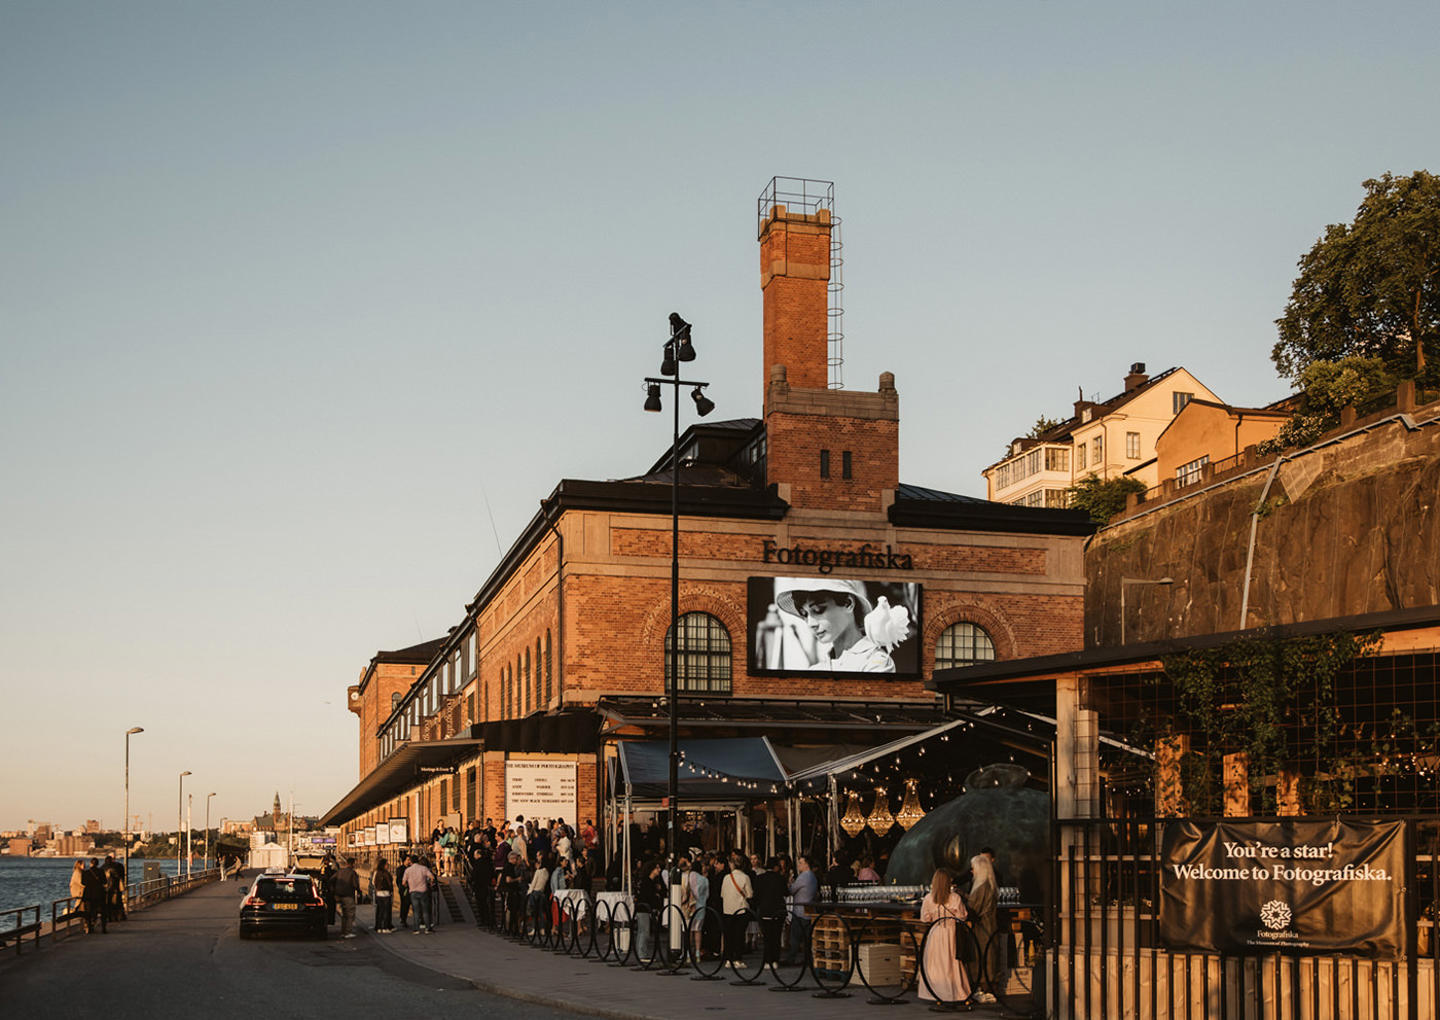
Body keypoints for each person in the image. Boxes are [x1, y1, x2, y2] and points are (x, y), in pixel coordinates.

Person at [774, 579, 904, 673]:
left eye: (818, 610)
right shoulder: (816, 669)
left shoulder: (876, 662)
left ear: (848, 603)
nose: (810, 623)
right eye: (805, 614)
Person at [918, 868, 971, 1004]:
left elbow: (925, 918)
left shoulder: (929, 898)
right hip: (951, 933)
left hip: (935, 932)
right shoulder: (955, 898)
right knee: (951, 963)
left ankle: (934, 993)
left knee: (935, 964)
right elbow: (962, 916)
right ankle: (955, 993)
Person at [966, 849, 1000, 1005]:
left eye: (973, 868)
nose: (971, 871)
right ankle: (988, 986)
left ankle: (984, 987)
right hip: (990, 925)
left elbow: (974, 908)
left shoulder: (981, 887)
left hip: (982, 928)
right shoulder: (990, 885)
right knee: (989, 955)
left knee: (982, 956)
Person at [783, 854, 818, 966]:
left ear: (806, 864)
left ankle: (791, 959)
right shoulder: (813, 876)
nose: (799, 865)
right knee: (807, 938)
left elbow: (791, 890)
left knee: (795, 937)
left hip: (800, 911)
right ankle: (807, 958)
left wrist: (790, 882)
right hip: (809, 910)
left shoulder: (803, 877)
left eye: (801, 863)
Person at [721, 852, 753, 969]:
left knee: (729, 935)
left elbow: (722, 894)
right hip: (741, 909)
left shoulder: (726, 878)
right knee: (739, 935)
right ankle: (737, 959)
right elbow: (749, 894)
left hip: (727, 909)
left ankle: (728, 959)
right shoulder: (745, 877)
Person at [752, 857, 787, 966]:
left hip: (764, 910)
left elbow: (756, 896)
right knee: (776, 936)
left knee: (767, 937)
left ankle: (767, 960)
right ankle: (775, 959)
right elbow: (786, 892)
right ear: (776, 867)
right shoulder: (780, 878)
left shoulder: (760, 878)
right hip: (778, 910)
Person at [406, 854, 436, 934]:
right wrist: (430, 883)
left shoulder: (408, 870)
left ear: (411, 861)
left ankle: (416, 929)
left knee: (416, 911)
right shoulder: (423, 868)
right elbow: (432, 877)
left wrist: (409, 885)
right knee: (425, 910)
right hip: (423, 891)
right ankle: (428, 928)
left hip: (413, 891)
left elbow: (403, 882)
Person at [333, 856, 362, 938]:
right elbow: (355, 885)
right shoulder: (352, 873)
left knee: (344, 915)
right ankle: (348, 932)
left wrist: (334, 890)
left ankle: (343, 931)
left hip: (339, 895)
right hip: (349, 895)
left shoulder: (340, 871)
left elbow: (331, 880)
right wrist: (359, 892)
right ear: (352, 864)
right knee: (350, 914)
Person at [81, 857, 107, 934]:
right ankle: (103, 928)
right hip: (99, 894)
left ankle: (89, 927)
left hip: (89, 894)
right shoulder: (101, 871)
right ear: (98, 864)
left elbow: (83, 882)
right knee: (102, 912)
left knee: (89, 912)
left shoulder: (86, 872)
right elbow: (105, 882)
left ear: (91, 863)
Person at [371, 858, 395, 933]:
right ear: (384, 865)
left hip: (379, 893)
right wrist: (391, 890)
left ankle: (378, 927)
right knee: (386, 911)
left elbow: (373, 882)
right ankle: (385, 927)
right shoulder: (386, 873)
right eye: (387, 864)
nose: (388, 865)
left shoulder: (376, 872)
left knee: (379, 911)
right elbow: (390, 883)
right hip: (386, 893)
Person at [104, 854, 127, 921]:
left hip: (107, 888)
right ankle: (119, 916)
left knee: (109, 903)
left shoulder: (103, 867)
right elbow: (121, 876)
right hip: (116, 888)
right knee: (118, 902)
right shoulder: (118, 866)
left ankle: (110, 917)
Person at [397, 855, 414, 929]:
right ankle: (403, 919)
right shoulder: (400, 869)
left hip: (410, 888)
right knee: (404, 905)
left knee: (408, 904)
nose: (409, 861)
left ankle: (404, 918)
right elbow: (398, 880)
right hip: (404, 889)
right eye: (408, 860)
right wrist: (402, 886)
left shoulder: (410, 868)